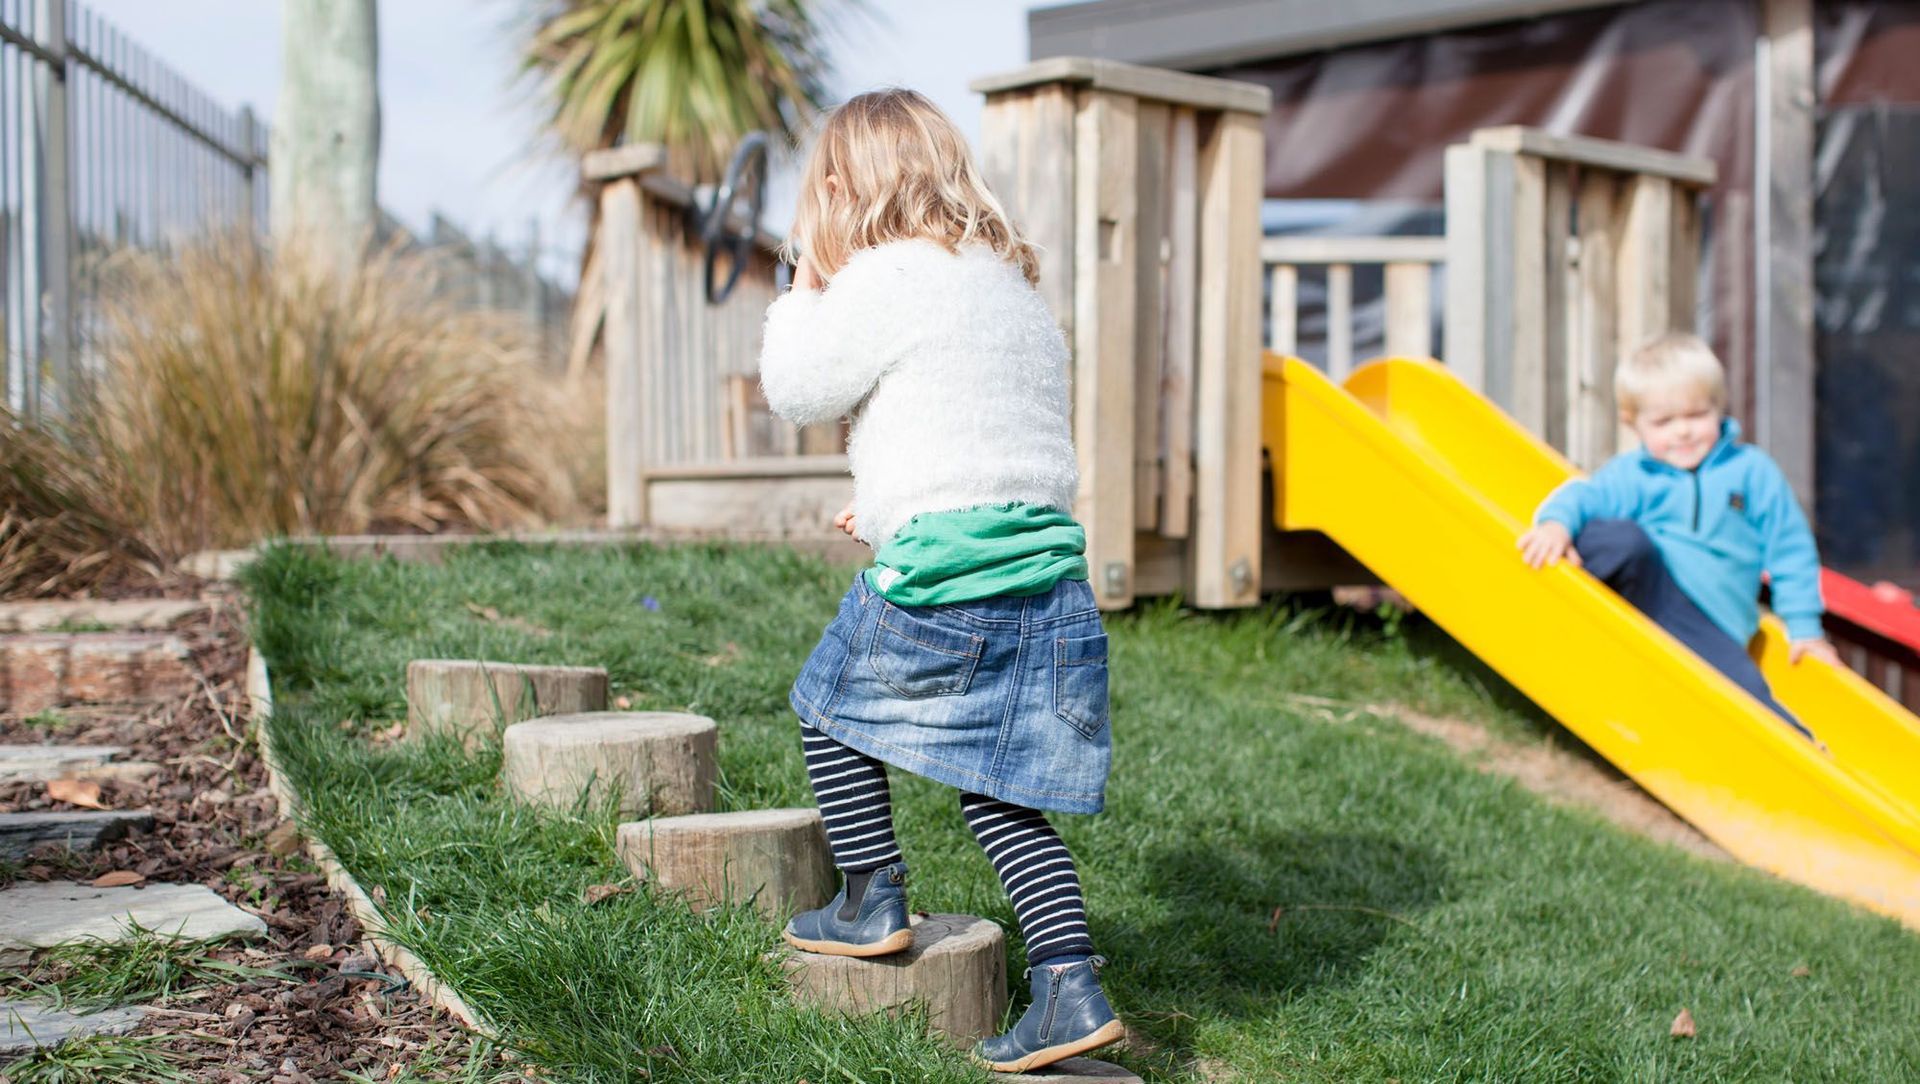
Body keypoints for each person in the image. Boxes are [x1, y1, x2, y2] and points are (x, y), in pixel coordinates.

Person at [757, 88, 1123, 1074]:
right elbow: (973, 435)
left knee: (826, 707)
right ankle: (1067, 985)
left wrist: (800, 285)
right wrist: (885, 508)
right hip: (1046, 576)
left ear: (843, 190)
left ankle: (869, 894)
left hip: (948, 569)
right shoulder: (1009, 288)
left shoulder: (882, 275)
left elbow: (797, 390)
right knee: (1000, 791)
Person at [1517, 332, 1841, 735]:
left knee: (1745, 692)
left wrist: (1806, 628)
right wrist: (1556, 525)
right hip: (1650, 592)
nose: (1683, 432)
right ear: (1632, 423)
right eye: (1664, 422)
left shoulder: (1750, 471)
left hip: (1710, 621)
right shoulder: (1633, 474)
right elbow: (1584, 496)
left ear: (1719, 408)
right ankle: (1557, 613)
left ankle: (1802, 746)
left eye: (1696, 415)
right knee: (1616, 537)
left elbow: (1790, 550)